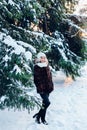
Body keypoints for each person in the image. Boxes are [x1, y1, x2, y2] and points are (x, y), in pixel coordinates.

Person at [33, 52, 54, 125]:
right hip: (42, 89)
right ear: (39, 58)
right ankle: (38, 115)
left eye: (44, 57)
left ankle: (42, 118)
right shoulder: (36, 67)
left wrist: (51, 85)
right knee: (47, 102)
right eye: (41, 57)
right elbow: (36, 80)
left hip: (48, 88)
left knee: (44, 104)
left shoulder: (47, 65)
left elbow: (50, 77)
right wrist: (40, 88)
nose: (43, 59)